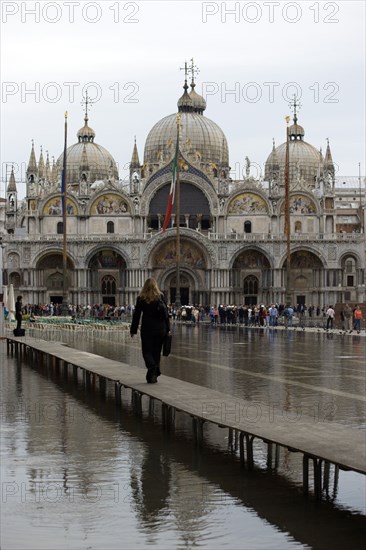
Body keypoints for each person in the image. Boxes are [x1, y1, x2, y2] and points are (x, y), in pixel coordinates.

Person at [130, 278, 170, 383]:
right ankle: (153, 376)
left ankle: (152, 367)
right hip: (161, 328)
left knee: (146, 351)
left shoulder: (141, 298)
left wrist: (133, 330)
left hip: (147, 328)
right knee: (156, 352)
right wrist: (168, 329)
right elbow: (166, 315)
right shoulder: (160, 297)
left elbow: (137, 315)